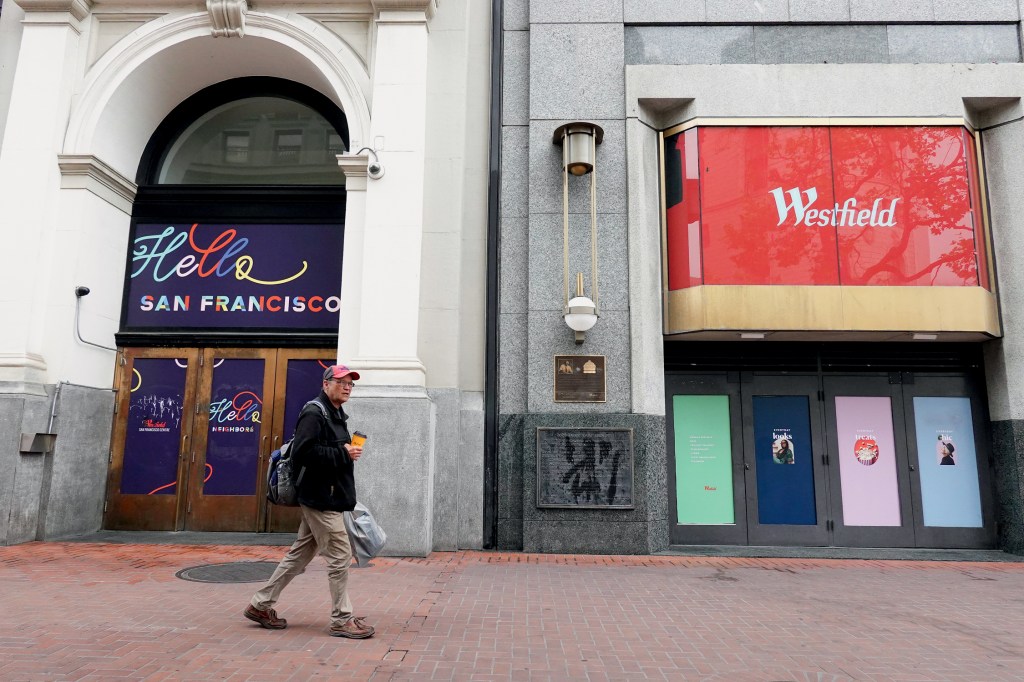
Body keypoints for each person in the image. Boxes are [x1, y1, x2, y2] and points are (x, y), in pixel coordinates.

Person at [244, 364, 374, 639]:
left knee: (299, 555)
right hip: (320, 498)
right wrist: (343, 453)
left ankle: (260, 604)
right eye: (342, 382)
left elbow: (326, 450)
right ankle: (341, 619)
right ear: (326, 384)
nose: (348, 387)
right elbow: (304, 453)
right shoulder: (314, 412)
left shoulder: (335, 412)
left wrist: (344, 451)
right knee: (339, 556)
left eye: (351, 383)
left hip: (329, 495)